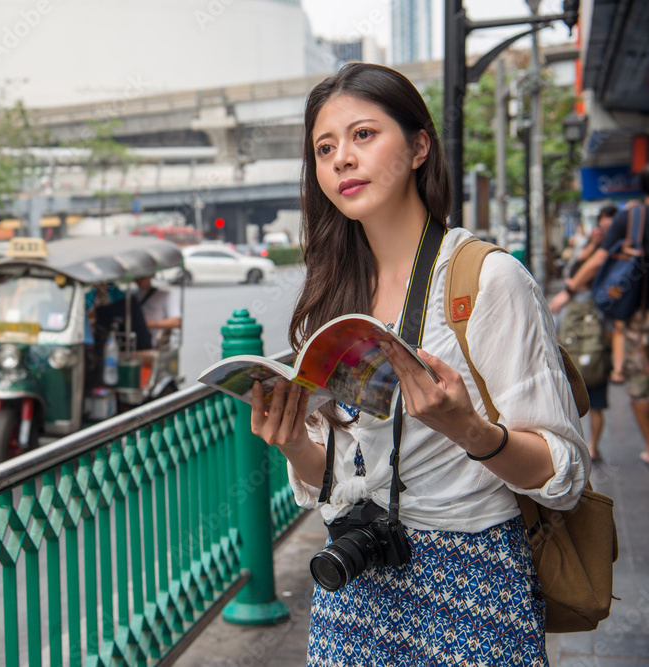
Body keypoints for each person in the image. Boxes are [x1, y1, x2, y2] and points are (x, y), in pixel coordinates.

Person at [250, 63, 588, 665]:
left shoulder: (485, 281)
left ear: (419, 146)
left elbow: (562, 475)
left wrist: (470, 431)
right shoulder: (334, 301)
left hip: (472, 585)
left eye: (363, 135)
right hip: (352, 584)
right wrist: (291, 445)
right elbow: (342, 468)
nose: (341, 160)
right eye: (324, 148)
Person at [552, 173, 649, 467]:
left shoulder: (633, 218)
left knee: (640, 383)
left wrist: (567, 292)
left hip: (638, 316)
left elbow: (596, 263)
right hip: (635, 317)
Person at [549, 205, 617, 462]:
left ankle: (594, 446)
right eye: (601, 227)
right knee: (567, 394)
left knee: (597, 395)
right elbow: (576, 269)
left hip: (597, 326)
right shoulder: (589, 248)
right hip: (571, 327)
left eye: (610, 229)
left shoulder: (612, 255)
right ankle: (573, 443)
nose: (605, 233)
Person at [133, 274, 181, 348]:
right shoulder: (133, 295)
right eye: (137, 277)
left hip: (153, 342)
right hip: (133, 341)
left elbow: (176, 321)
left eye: (143, 277)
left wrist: (147, 324)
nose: (139, 280)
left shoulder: (165, 295)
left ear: (151, 275)